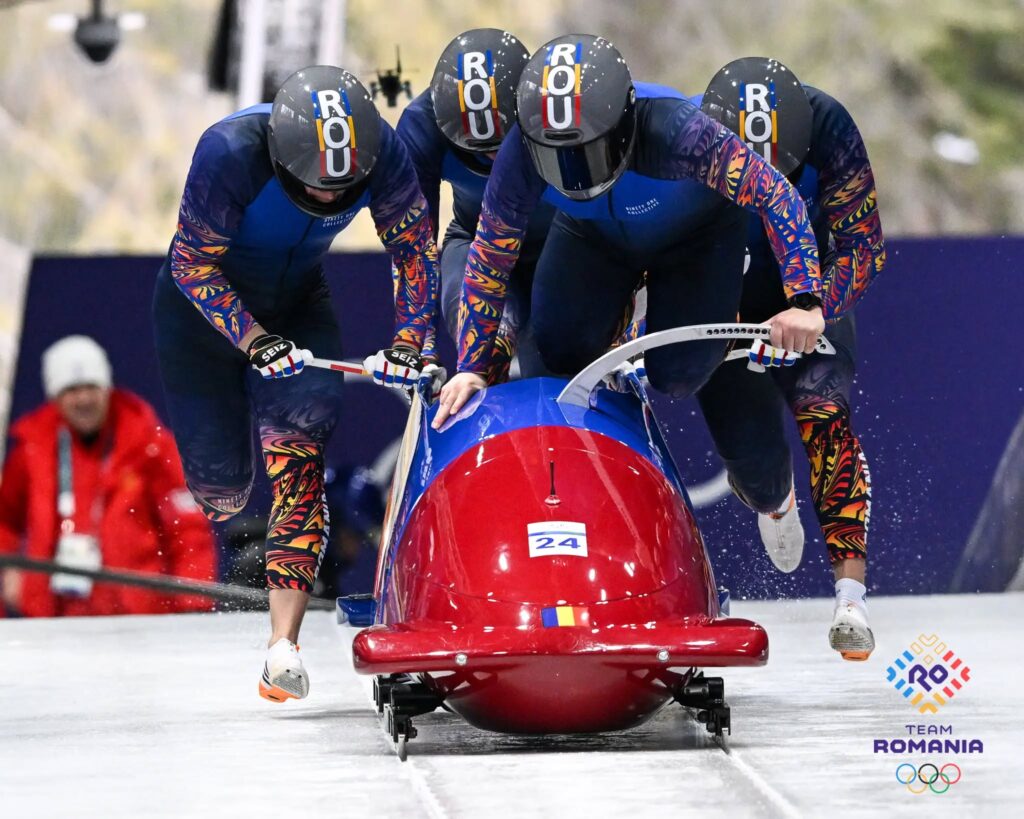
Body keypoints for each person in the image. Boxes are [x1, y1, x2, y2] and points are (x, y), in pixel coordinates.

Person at [154, 66, 438, 702]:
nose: (334, 201)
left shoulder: (383, 149)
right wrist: (254, 342)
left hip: (297, 301)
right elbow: (191, 264)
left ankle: (283, 646)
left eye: (347, 187)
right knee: (224, 491)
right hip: (198, 314)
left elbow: (415, 251)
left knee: (301, 457)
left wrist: (408, 342)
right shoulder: (228, 151)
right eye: (318, 188)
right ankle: (225, 495)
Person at [435, 34, 825, 430]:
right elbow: (490, 257)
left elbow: (775, 193)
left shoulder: (675, 129)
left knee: (677, 375)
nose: (574, 174)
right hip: (595, 236)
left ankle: (676, 308)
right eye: (554, 158)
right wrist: (473, 367)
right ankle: (624, 316)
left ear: (624, 125)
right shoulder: (519, 152)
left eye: (588, 153)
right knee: (555, 351)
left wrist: (805, 299)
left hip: (695, 239)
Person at [693, 58, 885, 660]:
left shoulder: (830, 128)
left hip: (810, 301)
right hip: (729, 297)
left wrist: (817, 306)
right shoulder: (690, 138)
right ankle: (773, 501)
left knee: (826, 417)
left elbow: (863, 246)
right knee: (753, 457)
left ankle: (850, 598)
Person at [0, 335, 216, 617]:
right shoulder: (32, 448)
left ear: (107, 388)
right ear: (55, 397)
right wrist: (9, 572)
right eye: (71, 389)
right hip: (54, 620)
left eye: (91, 386)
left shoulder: (150, 445)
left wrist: (194, 606)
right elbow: (5, 522)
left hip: (138, 621)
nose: (84, 399)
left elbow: (186, 529)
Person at [397, 28, 555, 380]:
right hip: (474, 242)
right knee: (488, 350)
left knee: (556, 355)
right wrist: (420, 348)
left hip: (563, 247)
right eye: (482, 151)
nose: (499, 158)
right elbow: (414, 249)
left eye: (507, 144)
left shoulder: (556, 111)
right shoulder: (420, 127)